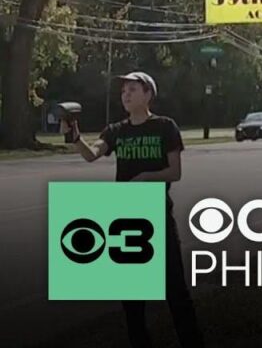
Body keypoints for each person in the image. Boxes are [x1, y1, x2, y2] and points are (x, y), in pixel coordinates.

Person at [63, 71, 205, 348]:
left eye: (132, 89)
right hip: (126, 218)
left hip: (157, 215)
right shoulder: (116, 131)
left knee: (175, 291)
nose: (125, 94)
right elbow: (92, 154)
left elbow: (174, 172)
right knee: (132, 299)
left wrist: (144, 178)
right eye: (123, 91)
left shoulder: (165, 127)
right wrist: (75, 136)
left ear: (148, 94)